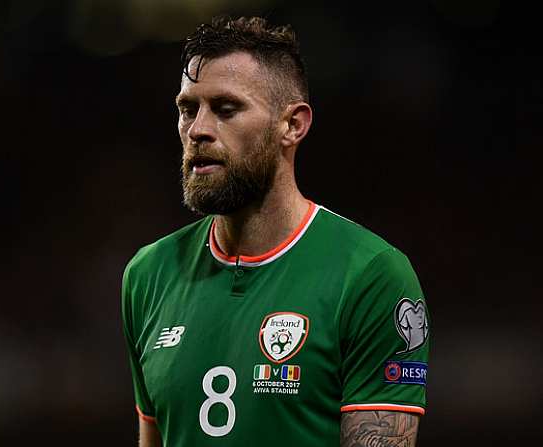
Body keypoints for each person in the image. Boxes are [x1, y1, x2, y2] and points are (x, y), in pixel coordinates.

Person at [120, 15, 430, 446]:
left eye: (226, 109)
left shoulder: (371, 275)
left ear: (292, 125)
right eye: (187, 109)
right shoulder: (148, 274)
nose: (198, 130)